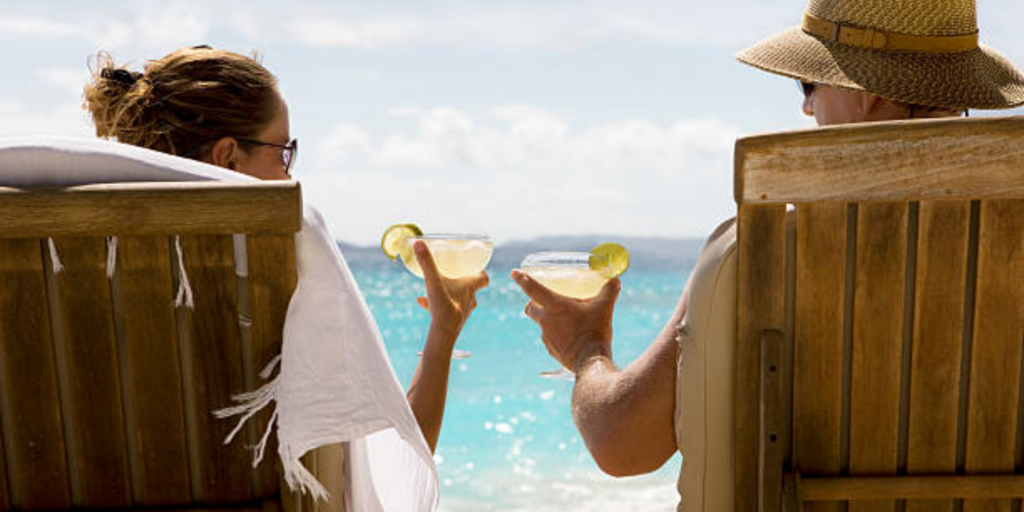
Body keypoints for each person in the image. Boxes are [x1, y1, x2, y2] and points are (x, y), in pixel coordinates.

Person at [511, 0, 1024, 510]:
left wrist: (586, 351)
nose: (805, 107)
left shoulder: (757, 248)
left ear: (864, 93)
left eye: (810, 85)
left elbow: (622, 445)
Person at [83, 45, 489, 455]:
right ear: (228, 157)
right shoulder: (289, 257)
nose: (289, 172)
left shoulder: (79, 261)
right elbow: (399, 469)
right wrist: (444, 329)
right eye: (283, 152)